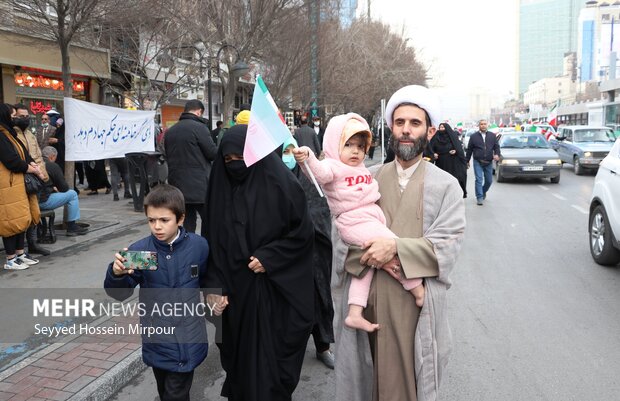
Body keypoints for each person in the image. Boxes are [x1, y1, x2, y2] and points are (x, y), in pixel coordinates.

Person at [332, 85, 465, 401]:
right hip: (367, 305)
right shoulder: (365, 178)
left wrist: (394, 248)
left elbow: (448, 244)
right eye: (400, 122)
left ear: (429, 131)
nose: (406, 130)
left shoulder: (446, 186)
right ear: (390, 127)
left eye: (415, 123)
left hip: (414, 313)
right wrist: (367, 252)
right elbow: (340, 237)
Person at [203, 125, 314, 401]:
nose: (234, 166)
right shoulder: (218, 192)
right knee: (240, 366)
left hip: (275, 292)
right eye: (227, 161)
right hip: (235, 296)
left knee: (271, 369)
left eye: (241, 159)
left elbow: (302, 234)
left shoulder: (282, 186)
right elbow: (210, 247)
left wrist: (270, 257)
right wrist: (213, 287)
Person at [293, 113, 424, 333]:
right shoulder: (333, 166)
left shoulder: (361, 167)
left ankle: (355, 312)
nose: (356, 151)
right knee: (396, 248)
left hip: (368, 218)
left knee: (367, 268)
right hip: (353, 221)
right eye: (349, 144)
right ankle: (417, 288)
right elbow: (319, 173)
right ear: (335, 145)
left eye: (361, 146)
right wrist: (308, 157)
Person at [104, 184, 209, 401]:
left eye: (164, 220)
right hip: (158, 341)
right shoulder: (142, 252)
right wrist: (117, 273)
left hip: (189, 339)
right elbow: (119, 293)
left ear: (180, 219)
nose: (157, 227)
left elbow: (209, 279)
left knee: (175, 394)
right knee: (166, 392)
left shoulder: (198, 247)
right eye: (151, 220)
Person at [281, 136, 335, 369]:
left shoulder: (313, 178)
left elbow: (322, 214)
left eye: (294, 150)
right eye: (286, 151)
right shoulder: (274, 176)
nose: (291, 156)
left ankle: (323, 345)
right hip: (285, 256)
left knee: (320, 296)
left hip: (314, 252)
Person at [0, 103, 43, 270]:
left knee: (21, 219)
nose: (15, 118)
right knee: (10, 223)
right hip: (7, 186)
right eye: (12, 115)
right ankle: (10, 259)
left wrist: (33, 165)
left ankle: (20, 254)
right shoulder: (1, 135)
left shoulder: (10, 134)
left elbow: (24, 155)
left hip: (17, 185)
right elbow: (10, 160)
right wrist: (30, 168)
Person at [163, 100, 217, 234]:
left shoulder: (170, 131)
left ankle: (189, 250)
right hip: (199, 186)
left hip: (177, 185)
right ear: (199, 111)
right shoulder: (200, 128)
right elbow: (212, 153)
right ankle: (208, 250)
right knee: (210, 221)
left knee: (186, 223)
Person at [14, 104, 51, 255]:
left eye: (27, 116)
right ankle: (19, 249)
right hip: (20, 179)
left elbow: (38, 156)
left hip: (35, 179)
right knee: (22, 214)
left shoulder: (30, 134)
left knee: (34, 211)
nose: (25, 119)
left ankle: (33, 244)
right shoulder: (12, 135)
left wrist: (43, 174)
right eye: (21, 116)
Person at [40, 147, 88, 236]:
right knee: (72, 194)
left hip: (30, 201)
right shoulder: (52, 166)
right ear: (52, 157)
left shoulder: (35, 163)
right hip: (43, 201)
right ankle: (72, 227)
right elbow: (64, 188)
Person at [465, 119, 501, 205]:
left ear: (487, 125)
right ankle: (479, 197)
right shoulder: (473, 137)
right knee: (479, 179)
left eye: (485, 124)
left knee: (489, 181)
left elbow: (496, 147)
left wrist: (497, 154)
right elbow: (469, 150)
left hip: (489, 162)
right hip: (478, 161)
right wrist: (467, 161)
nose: (483, 125)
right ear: (479, 126)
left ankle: (483, 191)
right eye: (481, 124)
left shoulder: (492, 136)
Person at [429, 122, 468, 198]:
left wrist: (455, 151)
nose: (442, 129)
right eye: (440, 127)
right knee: (441, 179)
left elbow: (459, 148)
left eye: (443, 127)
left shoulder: (452, 137)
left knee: (453, 178)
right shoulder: (436, 137)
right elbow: (430, 149)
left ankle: (454, 194)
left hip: (452, 162)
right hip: (440, 162)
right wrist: (433, 154)